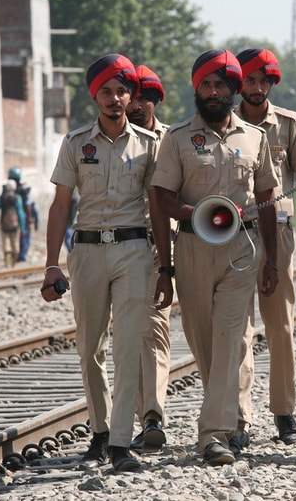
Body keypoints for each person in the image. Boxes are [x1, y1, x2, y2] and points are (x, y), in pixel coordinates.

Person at [150, 49, 279, 466]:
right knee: (204, 341)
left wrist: (273, 261)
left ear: (232, 89)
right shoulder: (177, 138)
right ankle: (229, 417)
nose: (211, 91)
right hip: (193, 248)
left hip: (241, 251)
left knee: (230, 339)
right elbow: (162, 198)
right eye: (205, 84)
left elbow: (268, 200)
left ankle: (213, 434)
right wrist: (197, 218)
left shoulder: (255, 138)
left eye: (219, 84)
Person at [40, 53, 161, 473]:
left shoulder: (149, 145)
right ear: (95, 96)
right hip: (88, 252)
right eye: (106, 91)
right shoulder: (76, 143)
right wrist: (51, 264)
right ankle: (101, 431)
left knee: (127, 348)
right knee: (90, 347)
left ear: (131, 97)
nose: (114, 98)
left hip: (133, 251)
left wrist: (165, 264)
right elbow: (60, 205)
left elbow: (157, 206)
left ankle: (122, 443)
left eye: (121, 91)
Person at [233, 47, 296, 446]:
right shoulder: (225, 124)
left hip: (277, 232)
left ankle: (284, 412)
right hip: (235, 233)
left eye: (264, 81)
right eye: (250, 80)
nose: (258, 88)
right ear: (238, 83)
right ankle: (239, 416)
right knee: (238, 328)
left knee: (280, 325)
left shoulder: (290, 124)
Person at [125, 64, 173, 450]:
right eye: (133, 98)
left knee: (155, 330)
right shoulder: (115, 140)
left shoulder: (174, 140)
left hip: (166, 247)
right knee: (138, 334)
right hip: (127, 249)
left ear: (155, 101)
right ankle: (146, 417)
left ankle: (153, 416)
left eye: (145, 98)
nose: (137, 105)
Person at [0, 179, 26, 266]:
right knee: (15, 243)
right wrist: (22, 228)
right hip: (15, 225)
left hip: (4, 224)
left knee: (5, 243)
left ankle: (6, 262)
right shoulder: (17, 198)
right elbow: (20, 214)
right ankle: (14, 263)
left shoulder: (1, 198)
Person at [7, 166, 34, 262]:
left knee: (12, 237)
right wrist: (30, 217)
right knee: (24, 235)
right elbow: (27, 205)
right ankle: (22, 255)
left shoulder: (7, 189)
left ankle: (15, 256)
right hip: (22, 216)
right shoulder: (23, 189)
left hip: (10, 217)